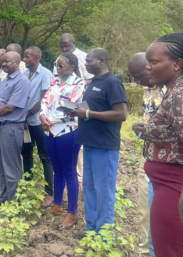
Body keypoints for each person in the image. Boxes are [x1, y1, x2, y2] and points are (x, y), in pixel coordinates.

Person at [69, 48, 127, 236]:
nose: (85, 64)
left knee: (104, 192)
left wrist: (87, 113)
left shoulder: (112, 82)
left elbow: (121, 114)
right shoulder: (94, 82)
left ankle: (105, 235)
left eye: (89, 61)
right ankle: (91, 230)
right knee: (90, 188)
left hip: (105, 146)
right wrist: (80, 110)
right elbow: (95, 109)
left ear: (102, 61)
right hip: (90, 143)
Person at [140, 33, 183, 256]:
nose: (147, 67)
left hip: (176, 193)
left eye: (153, 62)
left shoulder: (181, 95)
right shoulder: (173, 91)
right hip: (168, 189)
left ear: (177, 64)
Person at [40, 52, 86, 230]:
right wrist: (42, 117)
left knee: (69, 171)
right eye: (56, 65)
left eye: (61, 66)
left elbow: (72, 107)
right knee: (57, 169)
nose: (57, 69)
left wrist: (49, 121)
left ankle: (72, 213)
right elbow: (45, 102)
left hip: (68, 131)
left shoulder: (79, 84)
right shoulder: (53, 81)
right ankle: (57, 205)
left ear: (72, 67)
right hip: (50, 131)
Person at [0, 51, 31, 207]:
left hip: (11, 128)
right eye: (3, 61)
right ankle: (3, 198)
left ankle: (14, 205)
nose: (3, 64)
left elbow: (10, 107)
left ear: (17, 63)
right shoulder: (6, 80)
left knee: (12, 168)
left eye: (7, 62)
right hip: (0, 127)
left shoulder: (22, 81)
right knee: (1, 166)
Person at [129, 52, 162, 257]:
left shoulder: (177, 92)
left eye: (138, 75)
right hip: (148, 160)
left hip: (168, 168)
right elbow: (147, 128)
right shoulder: (148, 90)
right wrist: (137, 128)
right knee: (145, 215)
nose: (136, 81)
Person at [53, 33, 93, 190]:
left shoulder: (83, 57)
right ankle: (68, 177)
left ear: (73, 43)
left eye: (66, 46)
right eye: (61, 46)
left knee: (78, 141)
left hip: (80, 99)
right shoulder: (59, 58)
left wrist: (76, 82)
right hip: (62, 103)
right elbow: (56, 79)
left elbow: (91, 78)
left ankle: (80, 178)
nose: (64, 48)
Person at [22, 46, 54, 208]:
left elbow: (43, 100)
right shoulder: (24, 74)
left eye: (27, 57)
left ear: (36, 58)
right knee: (26, 152)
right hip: (25, 121)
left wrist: (26, 114)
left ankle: (50, 193)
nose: (24, 59)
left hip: (38, 122)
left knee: (45, 156)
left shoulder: (46, 74)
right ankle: (28, 183)